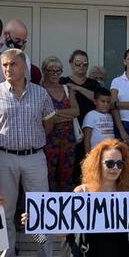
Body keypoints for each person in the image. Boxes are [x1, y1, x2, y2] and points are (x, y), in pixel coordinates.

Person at [0, 49, 59, 257]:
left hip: (34, 156)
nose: (8, 69)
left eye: (13, 64)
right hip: (3, 157)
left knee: (39, 210)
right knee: (5, 211)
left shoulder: (40, 94)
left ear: (24, 67)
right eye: (4, 65)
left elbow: (49, 124)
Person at [61, 50, 102, 181]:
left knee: (88, 164)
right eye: (78, 64)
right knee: (67, 166)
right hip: (68, 128)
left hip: (90, 130)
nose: (81, 67)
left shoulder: (93, 84)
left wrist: (78, 88)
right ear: (71, 64)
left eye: (85, 64)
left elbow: (99, 99)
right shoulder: (63, 81)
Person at [42, 56, 80, 192]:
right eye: (51, 70)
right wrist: (63, 115)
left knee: (67, 175)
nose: (55, 74)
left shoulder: (66, 89)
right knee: (49, 174)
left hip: (68, 139)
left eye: (58, 71)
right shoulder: (40, 90)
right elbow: (42, 116)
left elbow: (76, 111)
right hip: (48, 138)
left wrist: (55, 113)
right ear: (44, 71)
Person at [3, 19, 42, 84]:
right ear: (6, 35)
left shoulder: (26, 59)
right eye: (17, 40)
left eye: (23, 42)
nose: (21, 44)